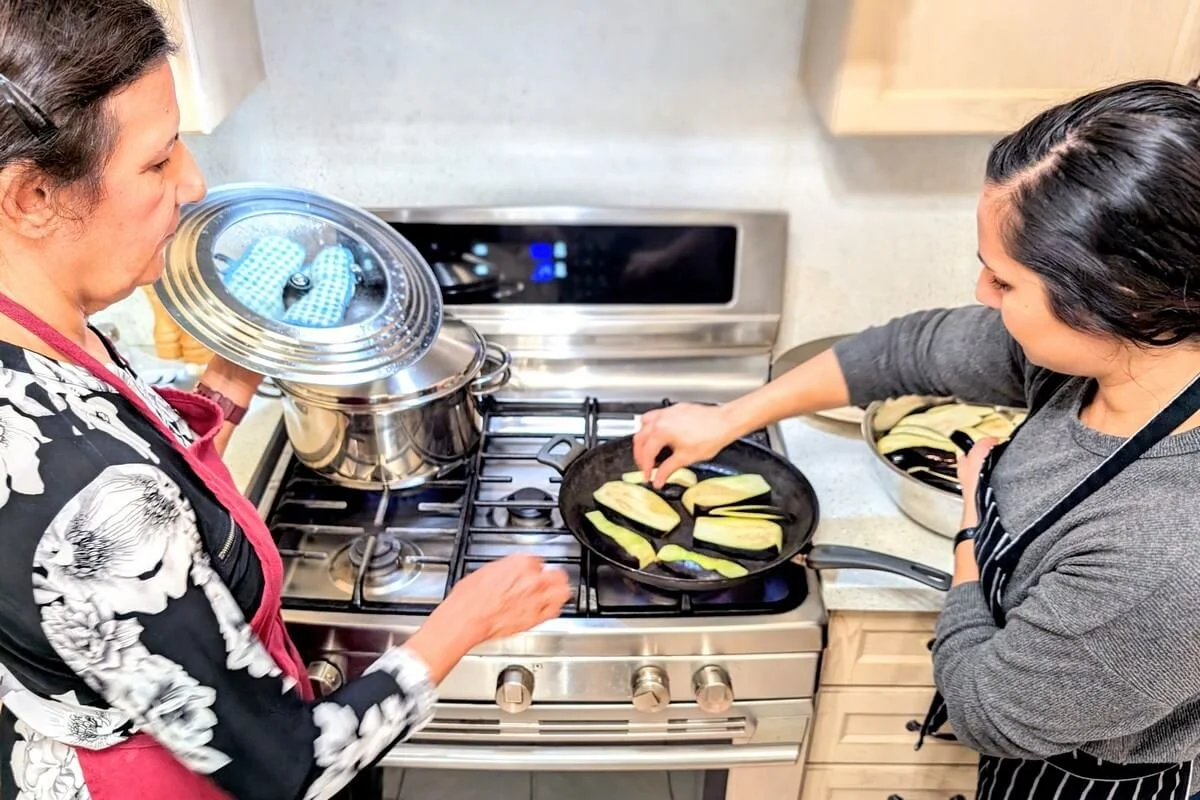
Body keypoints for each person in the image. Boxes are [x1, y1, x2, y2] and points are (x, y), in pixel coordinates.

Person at [0, 2, 571, 799]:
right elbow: (292, 769)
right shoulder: (87, 498)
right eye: (159, 162)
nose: (193, 184)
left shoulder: (38, 336)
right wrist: (464, 620)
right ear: (31, 197)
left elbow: (134, 438)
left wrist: (243, 355)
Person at [636, 79, 1200, 800]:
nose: (981, 294)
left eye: (1004, 280)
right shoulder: (1098, 356)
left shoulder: (1168, 553)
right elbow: (910, 351)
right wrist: (730, 417)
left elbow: (988, 711)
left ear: (1116, 300)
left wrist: (970, 542)